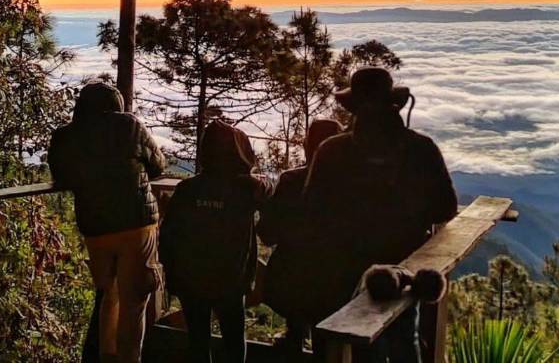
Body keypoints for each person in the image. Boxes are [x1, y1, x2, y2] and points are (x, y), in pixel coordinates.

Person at [304, 67, 457, 363]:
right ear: (394, 105)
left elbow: (312, 211)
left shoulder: (331, 151)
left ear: (354, 108)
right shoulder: (421, 148)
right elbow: (446, 208)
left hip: (341, 267)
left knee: (360, 345)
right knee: (404, 338)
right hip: (406, 265)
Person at [48, 82, 166, 363]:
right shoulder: (129, 125)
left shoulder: (66, 136)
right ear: (118, 106)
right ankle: (130, 359)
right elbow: (158, 164)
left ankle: (106, 356)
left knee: (108, 294)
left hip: (96, 226)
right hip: (136, 222)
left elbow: (60, 175)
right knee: (134, 300)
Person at [159, 120, 273, 363]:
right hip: (231, 281)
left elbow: (168, 234)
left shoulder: (187, 189)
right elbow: (270, 204)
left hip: (191, 280)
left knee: (198, 342)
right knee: (234, 341)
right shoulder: (247, 188)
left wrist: (172, 275)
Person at [257, 119, 343, 361]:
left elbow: (267, 232)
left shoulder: (290, 181)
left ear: (307, 146)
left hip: (291, 281)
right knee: (325, 346)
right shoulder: (348, 188)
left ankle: (294, 336)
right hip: (335, 283)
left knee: (297, 307)